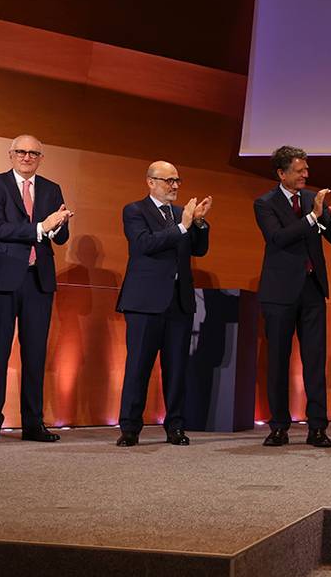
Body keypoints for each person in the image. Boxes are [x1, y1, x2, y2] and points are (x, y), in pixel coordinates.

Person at [0, 135, 73, 444]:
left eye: (33, 153)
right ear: (11, 154)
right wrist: (42, 227)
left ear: (41, 158)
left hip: (38, 281)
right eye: (21, 151)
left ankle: (33, 424)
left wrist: (58, 225)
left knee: (35, 355)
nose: (27, 157)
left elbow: (60, 237)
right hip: (0, 281)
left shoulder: (52, 188)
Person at [254, 146, 331, 448]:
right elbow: (277, 238)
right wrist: (312, 218)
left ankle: (317, 427)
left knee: (315, 361)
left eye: (307, 169)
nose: (306, 174)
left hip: (312, 289)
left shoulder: (313, 199)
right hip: (279, 293)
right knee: (278, 361)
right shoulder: (264, 203)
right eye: (299, 170)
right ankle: (279, 426)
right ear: (281, 173)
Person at [114, 161, 211, 447]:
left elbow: (199, 249)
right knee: (138, 367)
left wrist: (200, 222)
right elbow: (144, 244)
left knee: (177, 368)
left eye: (177, 180)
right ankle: (130, 428)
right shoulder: (134, 210)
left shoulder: (184, 214)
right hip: (144, 302)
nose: (175, 186)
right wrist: (183, 226)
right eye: (168, 181)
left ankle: (176, 427)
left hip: (178, 302)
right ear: (151, 182)